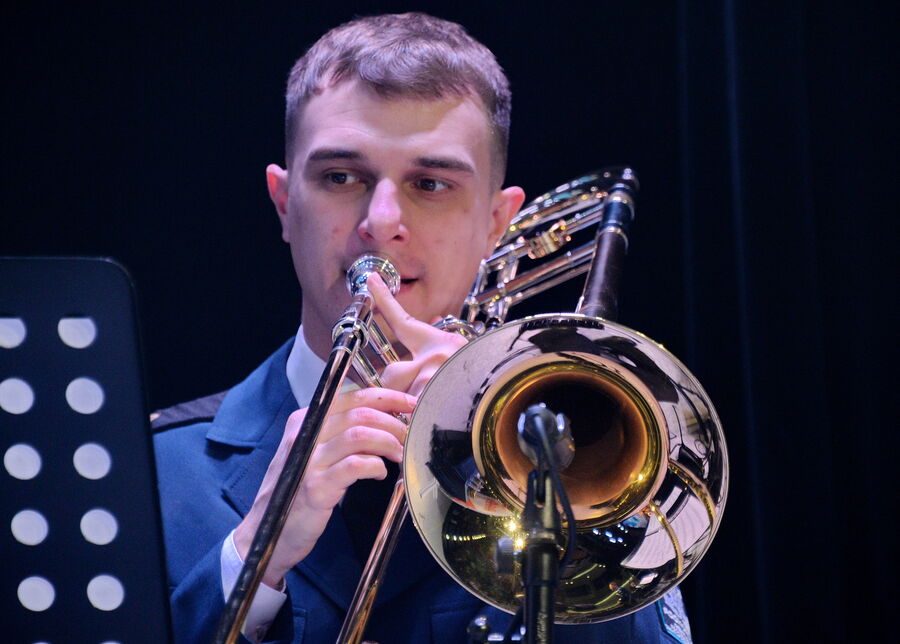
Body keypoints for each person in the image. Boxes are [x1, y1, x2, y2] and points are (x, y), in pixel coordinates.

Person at [152, 12, 692, 644]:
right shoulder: (153, 471)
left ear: (496, 224)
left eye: (430, 183)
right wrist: (255, 554)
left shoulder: (585, 467)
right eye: (340, 177)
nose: (382, 222)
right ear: (284, 204)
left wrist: (536, 478)